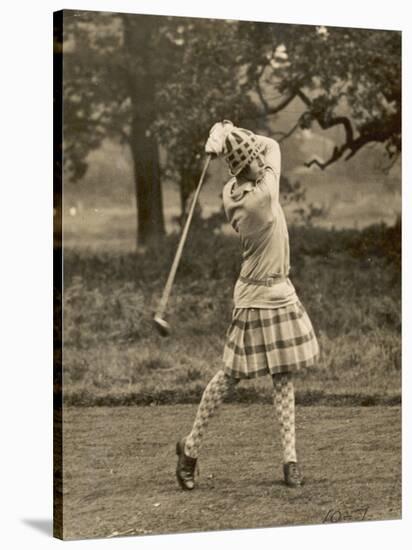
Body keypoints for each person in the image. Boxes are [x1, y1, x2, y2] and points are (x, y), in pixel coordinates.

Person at [175, 121, 319, 490]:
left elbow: (254, 155)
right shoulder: (263, 196)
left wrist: (225, 135)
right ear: (248, 165)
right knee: (230, 376)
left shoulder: (230, 190)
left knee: (283, 376)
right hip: (255, 299)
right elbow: (272, 144)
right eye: (253, 159)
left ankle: (290, 459)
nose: (260, 161)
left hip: (279, 291)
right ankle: (189, 450)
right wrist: (234, 130)